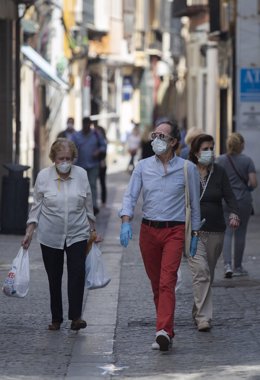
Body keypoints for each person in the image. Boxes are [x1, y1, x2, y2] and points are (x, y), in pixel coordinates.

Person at [119, 119, 201, 351]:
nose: (156, 140)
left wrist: (194, 234)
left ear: (174, 142)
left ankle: (162, 330)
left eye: (162, 136)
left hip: (174, 230)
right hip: (148, 232)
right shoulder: (143, 167)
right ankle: (167, 328)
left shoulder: (188, 169)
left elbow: (195, 205)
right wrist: (126, 221)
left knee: (167, 281)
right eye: (154, 135)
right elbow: (130, 196)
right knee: (157, 284)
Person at [21, 138, 99, 331]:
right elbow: (36, 206)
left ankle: (76, 317)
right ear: (53, 158)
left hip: (77, 232)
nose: (64, 162)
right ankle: (56, 318)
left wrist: (93, 230)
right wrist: (30, 231)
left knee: (77, 274)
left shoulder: (81, 174)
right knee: (54, 277)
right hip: (50, 235)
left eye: (68, 158)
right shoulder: (43, 177)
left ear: (73, 158)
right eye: (60, 158)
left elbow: (88, 204)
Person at [188, 134, 240, 332]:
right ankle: (203, 318)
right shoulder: (187, 171)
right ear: (195, 152)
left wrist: (234, 212)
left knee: (206, 273)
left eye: (212, 148)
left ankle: (197, 310)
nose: (209, 152)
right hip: (193, 232)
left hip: (216, 229)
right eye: (205, 149)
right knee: (200, 271)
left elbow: (229, 195)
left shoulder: (219, 172)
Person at [216, 132, 257, 278]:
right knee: (240, 233)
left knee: (227, 232)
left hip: (226, 201)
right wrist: (247, 188)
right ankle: (238, 266)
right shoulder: (247, 161)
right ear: (242, 145)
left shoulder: (220, 160)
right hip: (243, 202)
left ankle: (227, 265)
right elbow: (253, 183)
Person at [71, 117, 107, 215]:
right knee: (80, 186)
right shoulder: (76, 135)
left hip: (93, 165)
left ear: (90, 125)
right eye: (84, 124)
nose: (86, 127)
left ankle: (93, 206)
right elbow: (69, 146)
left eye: (88, 125)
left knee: (92, 185)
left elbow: (103, 146)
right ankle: (81, 206)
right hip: (80, 166)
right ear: (82, 124)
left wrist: (98, 151)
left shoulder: (96, 134)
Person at [95, 124, 108, 206]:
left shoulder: (103, 141)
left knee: (102, 183)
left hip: (101, 164)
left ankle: (103, 201)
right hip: (95, 164)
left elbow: (104, 152)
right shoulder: (95, 140)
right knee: (93, 183)